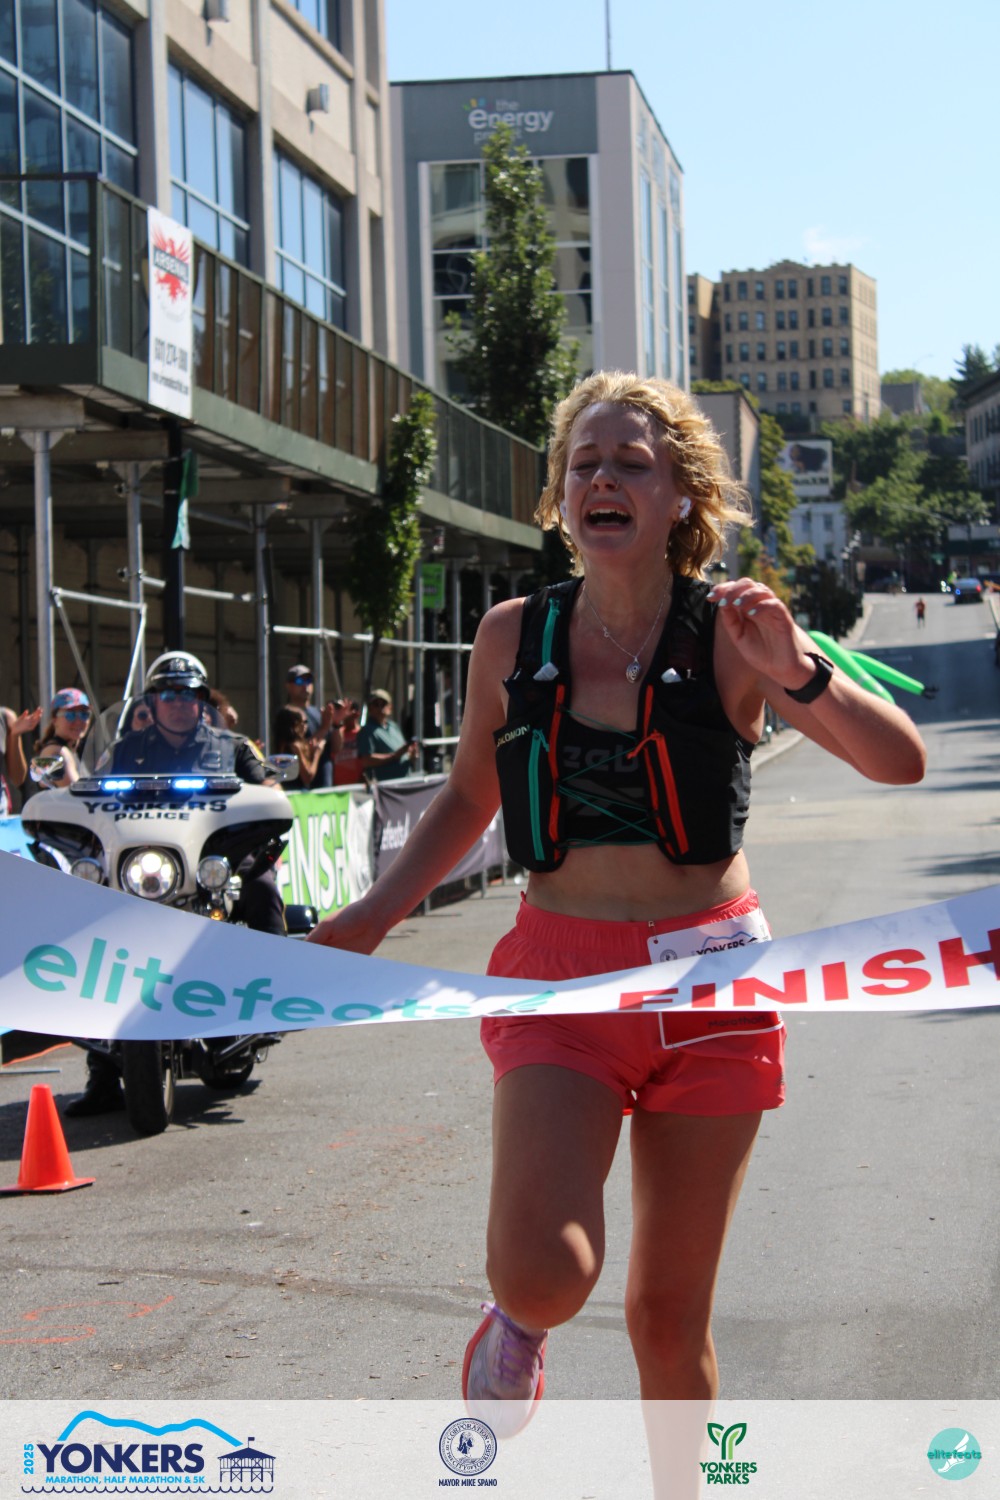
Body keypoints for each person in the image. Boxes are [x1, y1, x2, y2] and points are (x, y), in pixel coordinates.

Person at [308, 372, 926, 1435]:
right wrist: (374, 914)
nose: (603, 479)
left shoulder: (733, 630)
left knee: (668, 1319)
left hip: (715, 985)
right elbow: (470, 793)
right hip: (564, 980)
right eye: (583, 464)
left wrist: (798, 672)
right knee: (545, 1273)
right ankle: (521, 1320)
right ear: (559, 496)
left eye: (631, 464)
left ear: (680, 497)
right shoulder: (512, 636)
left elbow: (898, 762)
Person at [66, 651, 289, 1116]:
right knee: (92, 930)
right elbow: (87, 794)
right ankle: (101, 1074)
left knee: (263, 885)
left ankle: (273, 993)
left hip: (213, 863)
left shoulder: (231, 746)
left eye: (189, 694)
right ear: (152, 701)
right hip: (142, 868)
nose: (179, 702)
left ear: (202, 700)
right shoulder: (124, 750)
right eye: (168, 693)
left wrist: (266, 797)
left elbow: (271, 789)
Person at [284, 664, 343, 786]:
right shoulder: (287, 715)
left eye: (308, 680)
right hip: (300, 788)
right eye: (300, 681)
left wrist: (337, 724)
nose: (305, 685)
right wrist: (324, 728)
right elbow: (300, 749)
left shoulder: (318, 713)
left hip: (324, 786)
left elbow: (336, 748)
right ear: (288, 686)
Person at [355, 690, 419, 782]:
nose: (380, 708)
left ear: (390, 707)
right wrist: (393, 756)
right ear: (370, 708)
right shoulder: (367, 731)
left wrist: (412, 755)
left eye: (383, 704)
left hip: (405, 780)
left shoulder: (394, 726)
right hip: (385, 786)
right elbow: (366, 760)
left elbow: (404, 753)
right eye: (376, 704)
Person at [272, 704, 325, 790]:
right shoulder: (295, 746)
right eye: (300, 722)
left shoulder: (282, 743)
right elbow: (307, 777)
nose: (304, 726)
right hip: (295, 792)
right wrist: (317, 753)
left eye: (306, 722)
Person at [332, 700, 363, 786]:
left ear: (357, 714)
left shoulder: (362, 733)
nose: (344, 713)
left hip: (358, 786)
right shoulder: (337, 732)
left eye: (347, 709)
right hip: (337, 786)